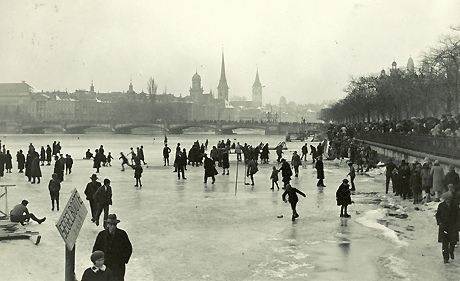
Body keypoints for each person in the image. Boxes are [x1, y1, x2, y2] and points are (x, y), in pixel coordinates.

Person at [93, 214, 132, 281]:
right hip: (105, 265)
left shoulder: (122, 234)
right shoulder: (101, 235)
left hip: (118, 266)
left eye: (114, 224)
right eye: (111, 224)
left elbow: (128, 248)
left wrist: (123, 260)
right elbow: (95, 250)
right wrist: (98, 262)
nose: (113, 226)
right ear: (107, 225)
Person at [436, 191, 460, 263]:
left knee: (453, 241)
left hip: (453, 226)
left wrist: (457, 224)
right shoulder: (441, 206)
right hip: (444, 226)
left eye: (449, 199)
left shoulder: (455, 206)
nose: (448, 200)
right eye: (446, 199)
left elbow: (458, 216)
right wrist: (439, 222)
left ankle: (451, 251)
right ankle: (445, 257)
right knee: (445, 242)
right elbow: (438, 215)